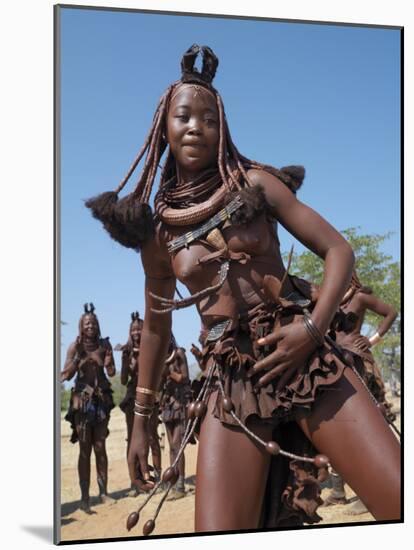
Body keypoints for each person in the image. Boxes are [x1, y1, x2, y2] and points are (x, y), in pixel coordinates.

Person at [86, 45, 400, 534]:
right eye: (184, 116)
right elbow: (156, 326)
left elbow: (339, 251)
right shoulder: (160, 232)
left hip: (307, 357)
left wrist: (314, 330)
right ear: (163, 127)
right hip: (231, 379)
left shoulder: (255, 185)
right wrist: (141, 420)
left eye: (209, 119)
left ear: (222, 129)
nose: (196, 127)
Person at [322, 273, 398, 513]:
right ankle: (337, 491)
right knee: (339, 423)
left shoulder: (361, 297)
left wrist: (372, 340)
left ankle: (382, 486)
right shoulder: (330, 300)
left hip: (358, 362)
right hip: (336, 366)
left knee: (371, 421)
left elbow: (391, 313)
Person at [61, 303, 116, 513]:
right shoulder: (75, 347)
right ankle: (84, 498)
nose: (90, 325)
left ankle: (103, 493)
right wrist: (78, 361)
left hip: (101, 400)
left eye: (93, 322)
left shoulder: (104, 345)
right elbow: (66, 374)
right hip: (82, 402)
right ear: (81, 327)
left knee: (100, 447)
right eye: (86, 323)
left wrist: (108, 361)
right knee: (84, 450)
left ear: (97, 325)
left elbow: (111, 373)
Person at [118, 311, 162, 496]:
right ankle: (136, 481)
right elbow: (122, 379)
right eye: (133, 329)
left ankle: (157, 478)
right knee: (133, 438)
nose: (136, 332)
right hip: (131, 399)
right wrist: (125, 362)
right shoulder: (127, 353)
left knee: (152, 437)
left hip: (149, 399)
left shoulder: (149, 349)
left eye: (139, 329)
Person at [159, 339, 193, 499]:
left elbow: (185, 378)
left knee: (177, 445)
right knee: (172, 447)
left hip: (180, 403)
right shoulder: (160, 357)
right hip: (167, 405)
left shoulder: (178, 353)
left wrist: (169, 373)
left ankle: (180, 485)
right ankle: (173, 481)